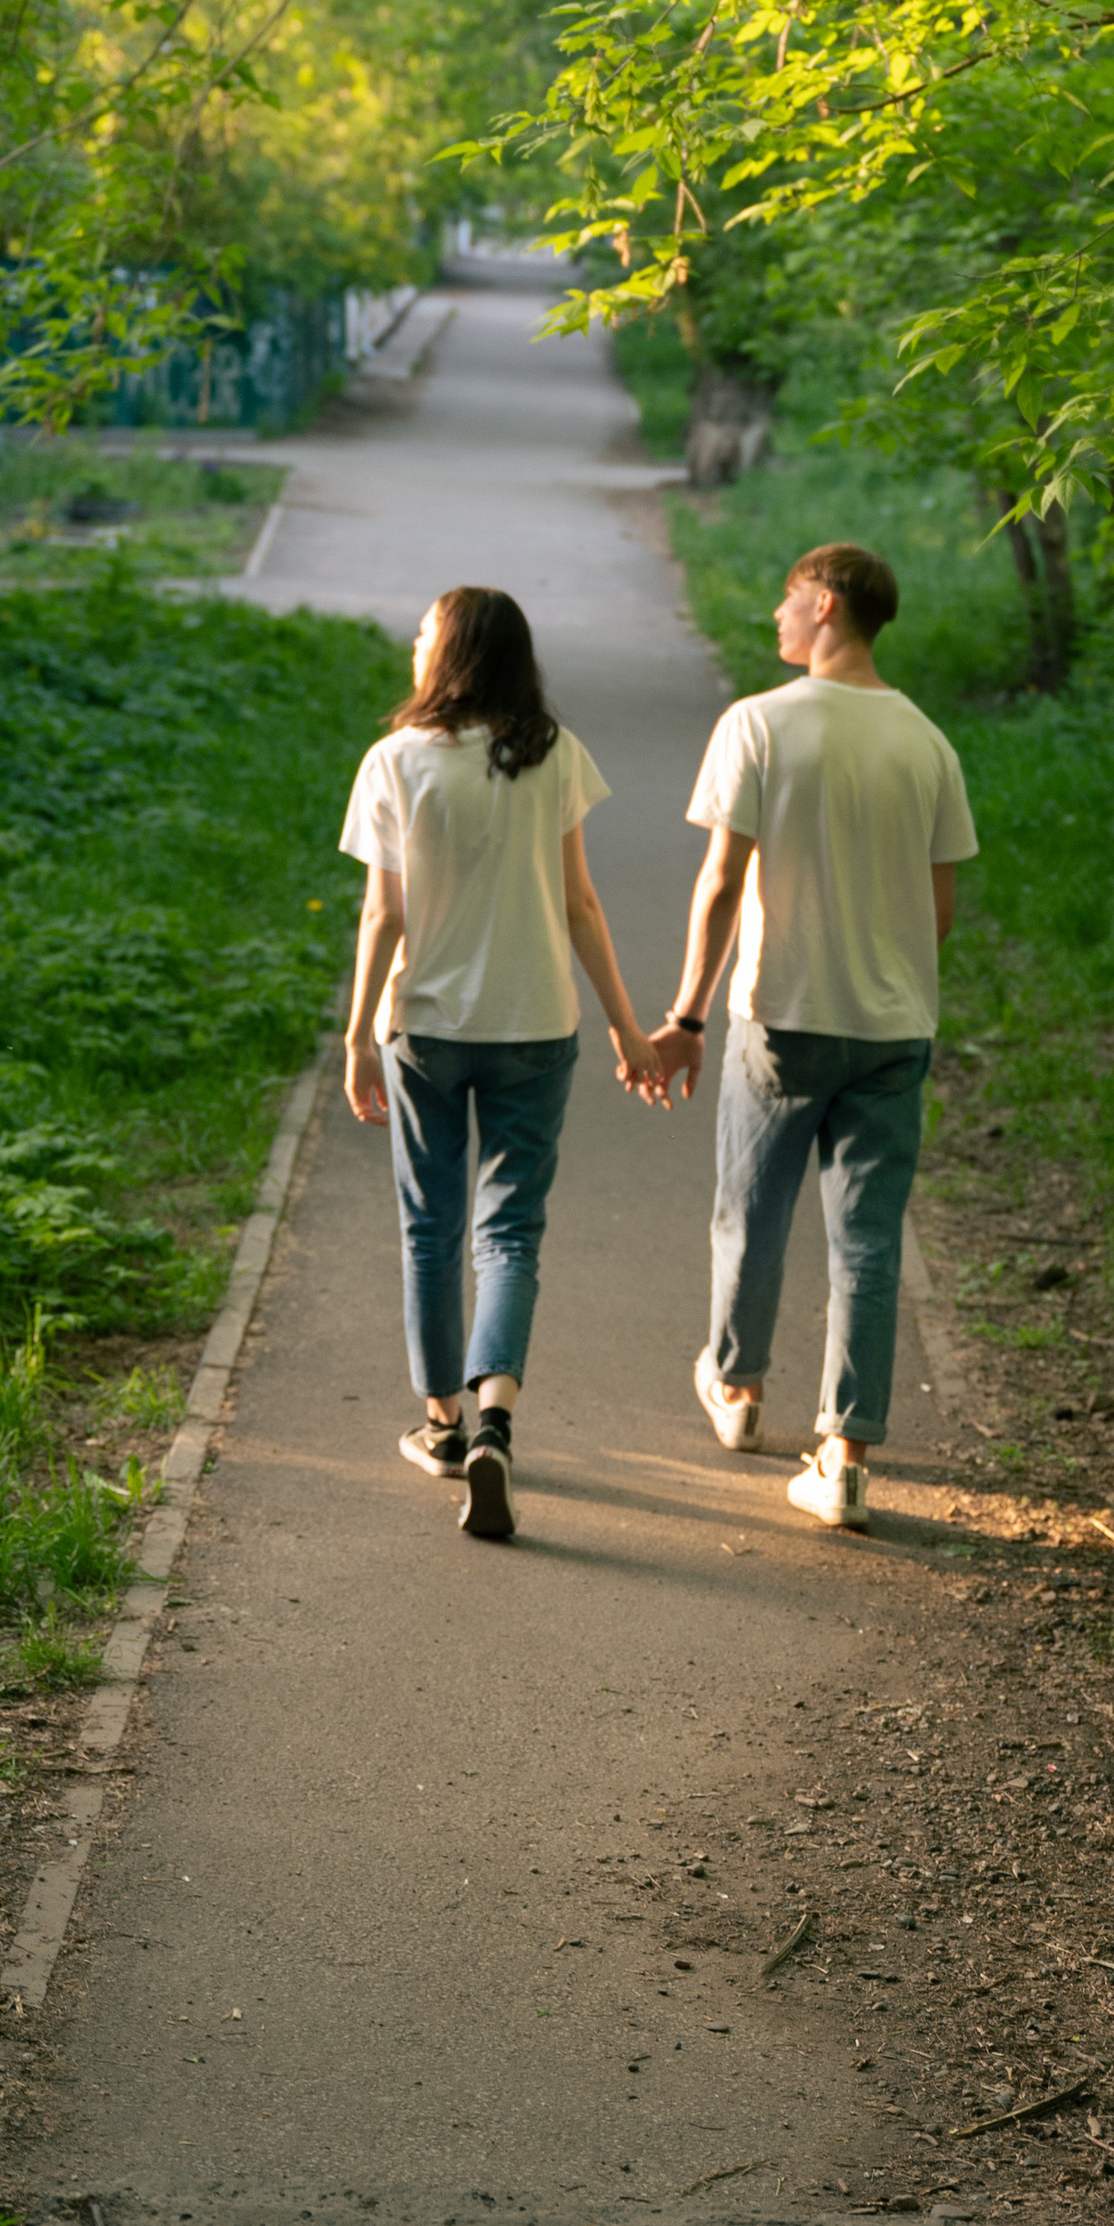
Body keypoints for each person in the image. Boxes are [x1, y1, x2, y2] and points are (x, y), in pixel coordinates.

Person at [656, 541, 979, 1533]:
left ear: (827, 604)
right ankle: (844, 1460)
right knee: (868, 1240)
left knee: (751, 1215)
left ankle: (738, 1389)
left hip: (782, 1019)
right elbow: (938, 911)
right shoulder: (927, 743)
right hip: (892, 1030)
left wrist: (687, 1014)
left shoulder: (759, 724)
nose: (777, 615)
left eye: (789, 598)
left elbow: (721, 884)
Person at [340, 584, 666, 1540]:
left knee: (431, 1228)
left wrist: (357, 1035)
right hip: (536, 1025)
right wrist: (626, 1026)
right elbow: (580, 904)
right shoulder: (552, 753)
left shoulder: (397, 760)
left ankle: (443, 1426)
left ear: (449, 652)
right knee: (511, 1233)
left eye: (424, 631)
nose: (414, 642)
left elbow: (384, 913)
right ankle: (496, 1423)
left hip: (428, 1029)